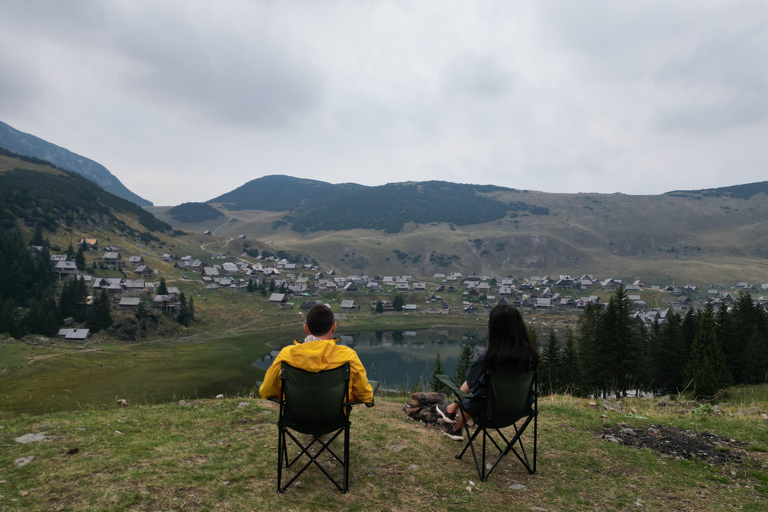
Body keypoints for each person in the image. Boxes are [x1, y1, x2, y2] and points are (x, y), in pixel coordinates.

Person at [436, 303, 539, 441]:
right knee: (482, 389)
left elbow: (471, 383)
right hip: (518, 411)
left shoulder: (489, 356)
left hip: (488, 412)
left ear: (497, 328)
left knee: (478, 392)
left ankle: (452, 413)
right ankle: (454, 422)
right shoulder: (531, 355)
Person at [259, 303, 374, 403]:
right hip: (334, 420)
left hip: (296, 420)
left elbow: (266, 392)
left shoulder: (287, 354)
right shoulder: (348, 355)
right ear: (333, 327)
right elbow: (365, 396)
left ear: (306, 329)